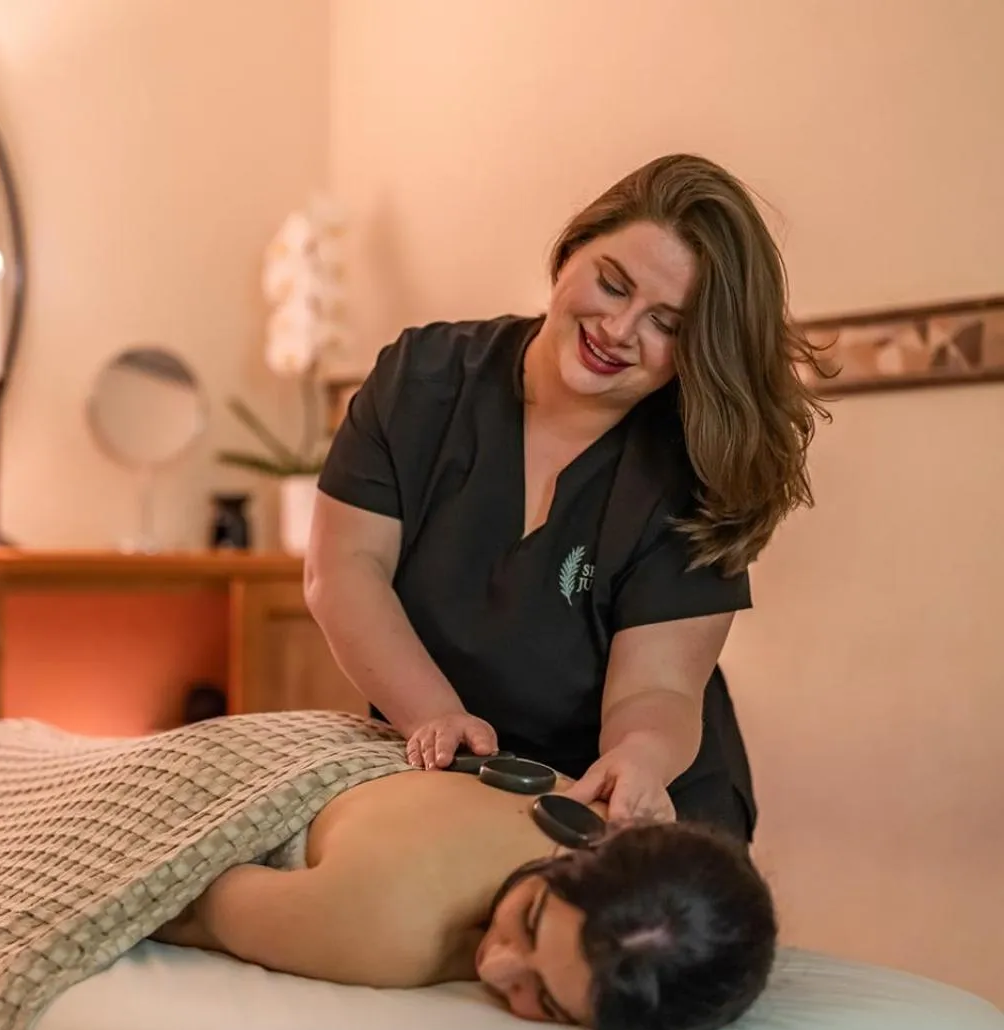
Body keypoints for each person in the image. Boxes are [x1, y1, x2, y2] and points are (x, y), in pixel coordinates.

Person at [304, 153, 831, 840]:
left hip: (628, 809)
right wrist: (433, 715)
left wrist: (638, 759)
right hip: (440, 768)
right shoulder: (422, 381)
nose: (618, 330)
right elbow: (344, 572)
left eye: (666, 324)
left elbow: (658, 690)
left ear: (694, 351)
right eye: (613, 285)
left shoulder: (687, 473)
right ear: (570, 253)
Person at [153, 763, 777, 1030]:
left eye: (549, 1004)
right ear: (596, 846)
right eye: (530, 918)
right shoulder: (382, 927)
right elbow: (179, 895)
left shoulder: (579, 808)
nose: (496, 968)